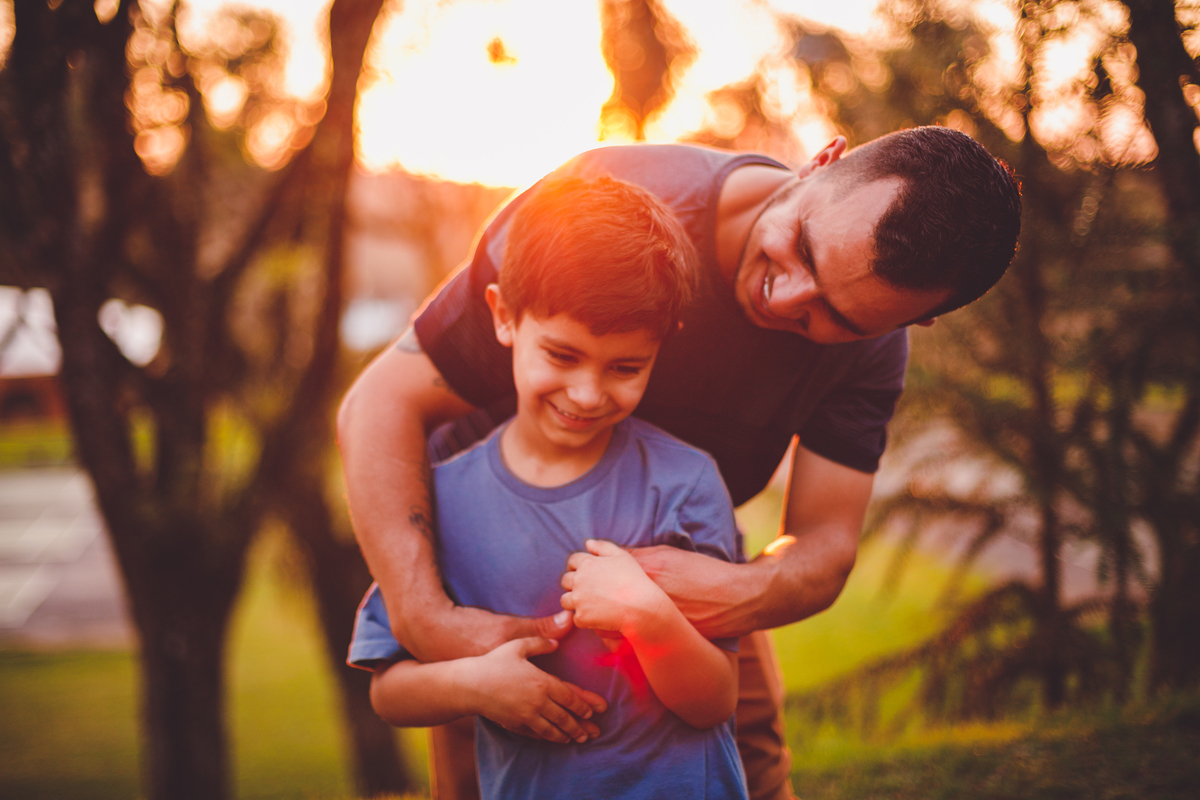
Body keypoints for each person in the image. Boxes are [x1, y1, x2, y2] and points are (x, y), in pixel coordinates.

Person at [337, 126, 1022, 800]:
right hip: (493, 567)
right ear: (820, 162)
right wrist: (427, 618)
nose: (785, 299)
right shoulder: (597, 207)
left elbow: (825, 545)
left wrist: (704, 596)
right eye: (802, 249)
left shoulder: (871, 351)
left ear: (914, 320)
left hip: (685, 557)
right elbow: (378, 404)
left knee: (753, 765)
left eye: (836, 317)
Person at [348, 174, 749, 799]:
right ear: (504, 316)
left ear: (660, 346)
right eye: (562, 356)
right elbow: (389, 692)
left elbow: (716, 700)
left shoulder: (684, 484)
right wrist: (475, 685)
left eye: (625, 367)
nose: (587, 394)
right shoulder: (445, 499)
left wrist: (650, 618)